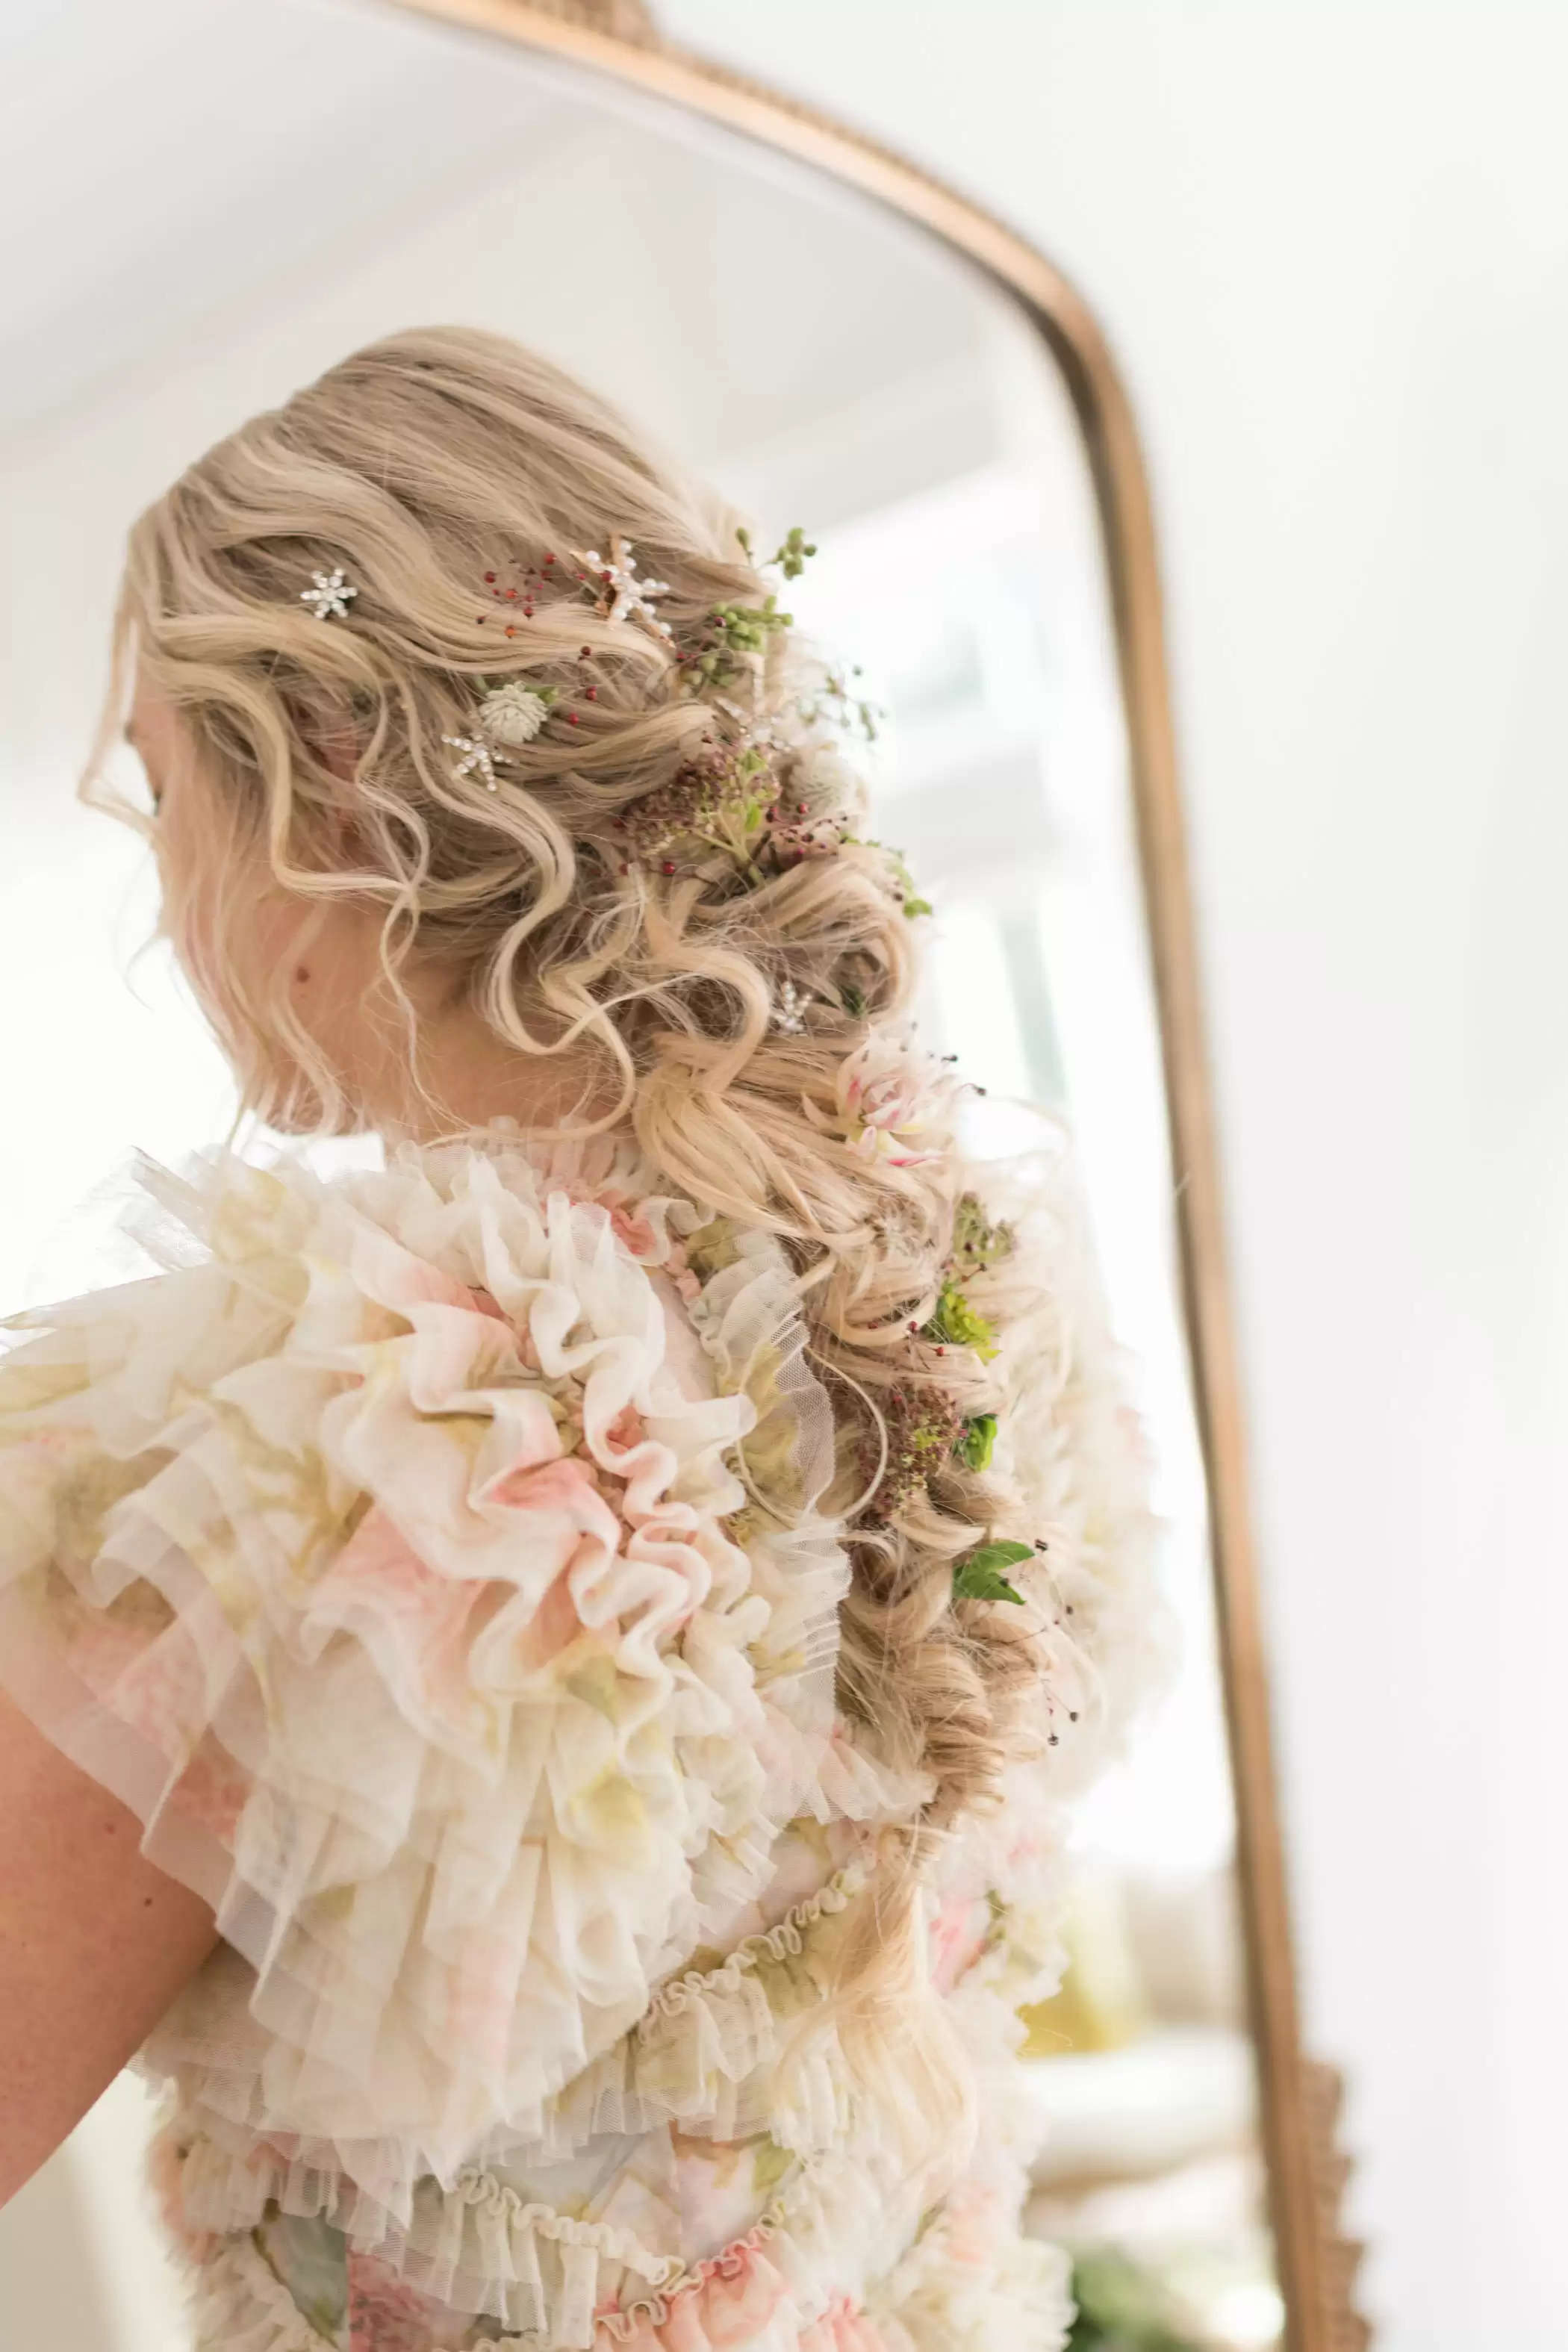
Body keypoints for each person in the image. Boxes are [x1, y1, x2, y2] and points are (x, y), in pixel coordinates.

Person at [0, 327, 1161, 2351]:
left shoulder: (320, 1409)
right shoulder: (967, 1283)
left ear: (333, 796)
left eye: (171, 801)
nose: (169, 910)